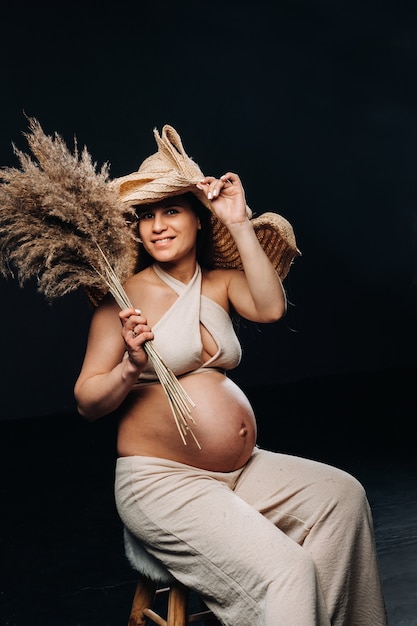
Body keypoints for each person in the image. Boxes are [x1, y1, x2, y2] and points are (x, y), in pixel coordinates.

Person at [74, 125, 387, 626]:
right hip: (163, 484)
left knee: (342, 497)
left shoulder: (218, 283)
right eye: (146, 216)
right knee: (286, 570)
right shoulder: (123, 299)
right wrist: (131, 365)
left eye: (171, 210)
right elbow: (88, 401)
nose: (158, 226)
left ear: (198, 219)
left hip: (240, 473)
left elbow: (269, 308)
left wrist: (238, 222)